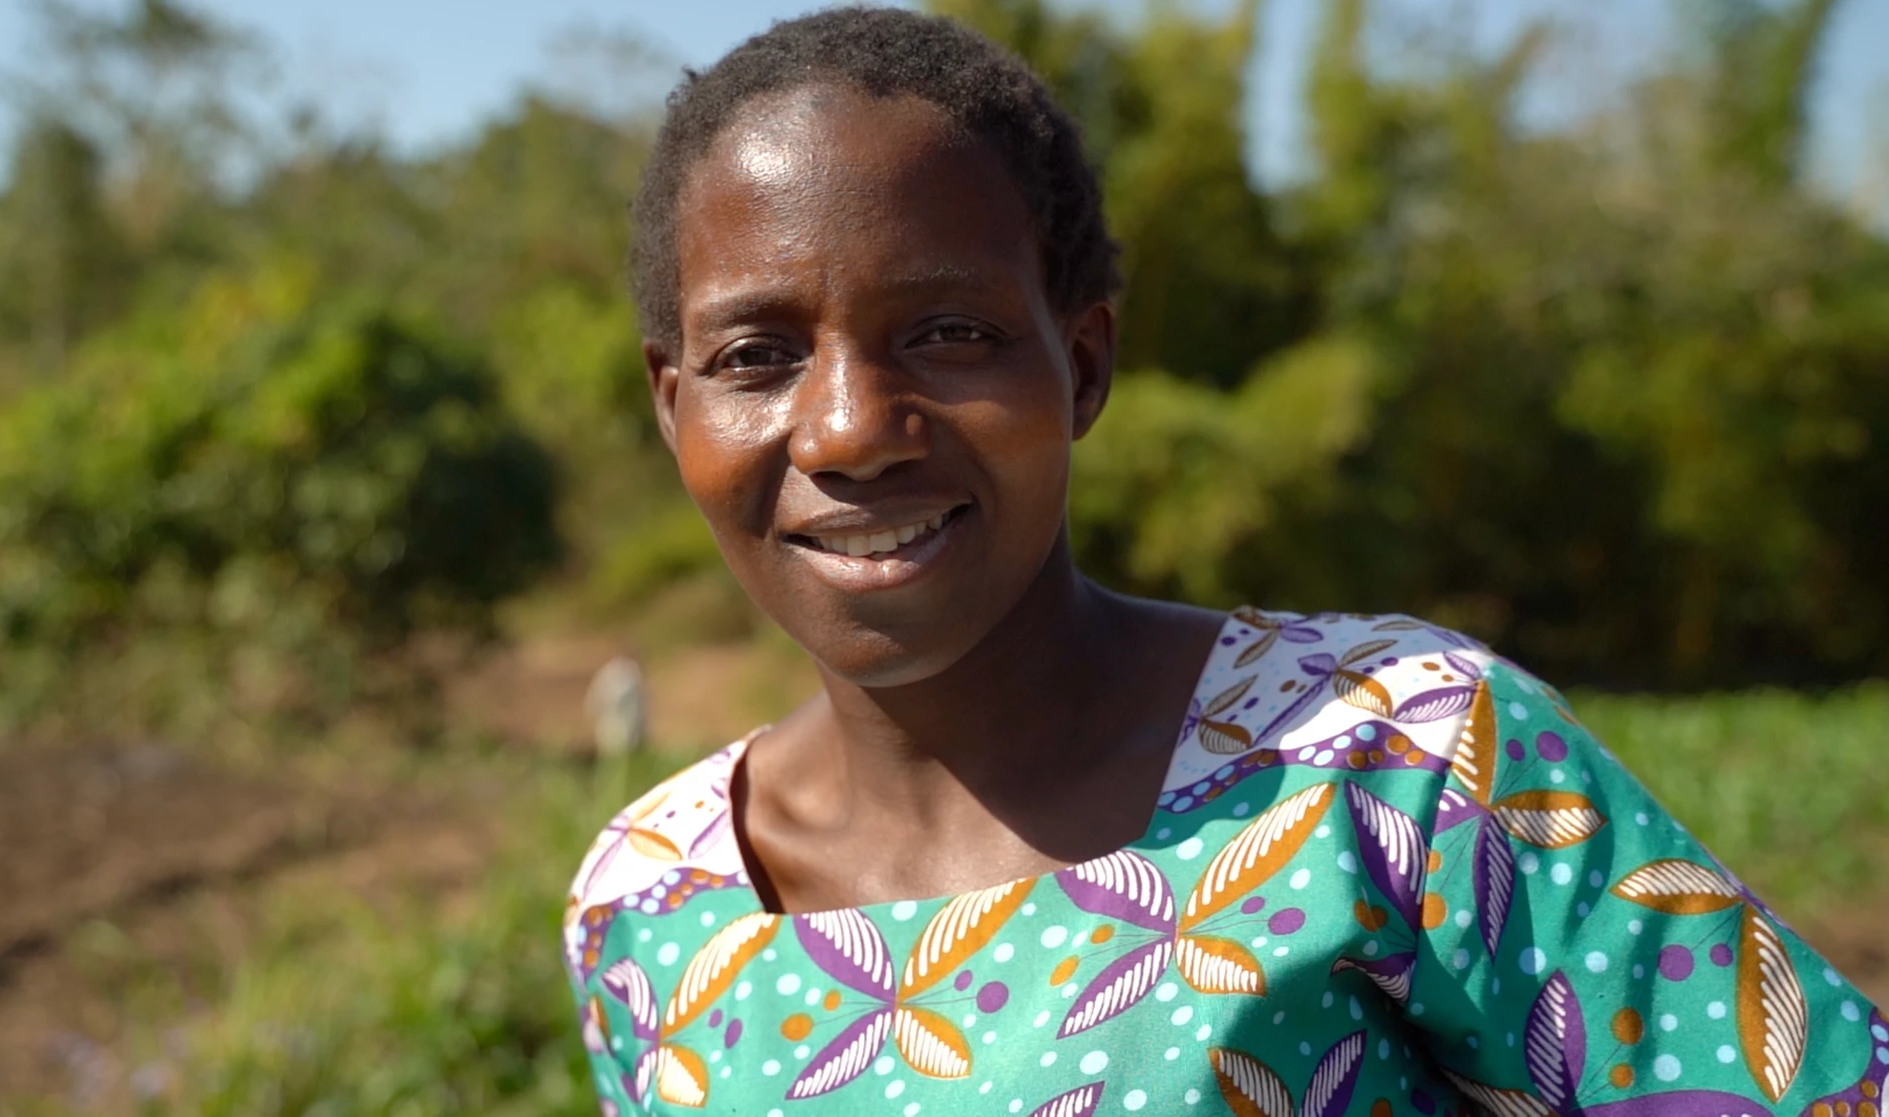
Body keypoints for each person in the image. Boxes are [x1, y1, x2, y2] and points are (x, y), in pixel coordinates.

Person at [562, 9, 1884, 1115]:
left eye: (951, 332)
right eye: (755, 358)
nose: (847, 427)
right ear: (672, 408)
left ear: (1080, 367)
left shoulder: (1401, 761)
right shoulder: (647, 902)